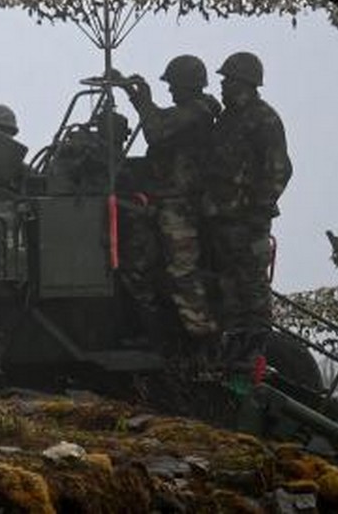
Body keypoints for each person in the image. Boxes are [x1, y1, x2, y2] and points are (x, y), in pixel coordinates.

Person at [114, 55, 220, 357]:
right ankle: (155, 335)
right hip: (165, 203)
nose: (171, 91)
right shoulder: (187, 112)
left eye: (174, 85)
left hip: (182, 207)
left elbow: (156, 131)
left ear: (189, 86)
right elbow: (160, 121)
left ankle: (204, 341)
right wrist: (136, 97)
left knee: (182, 272)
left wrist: (144, 100)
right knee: (138, 268)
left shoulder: (199, 112)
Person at [201, 51, 292, 367]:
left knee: (253, 282)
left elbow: (280, 169)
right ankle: (236, 340)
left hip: (248, 220)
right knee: (228, 283)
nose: (222, 85)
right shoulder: (227, 119)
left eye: (228, 79)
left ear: (244, 82)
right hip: (222, 219)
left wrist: (260, 209)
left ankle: (256, 344)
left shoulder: (264, 119)